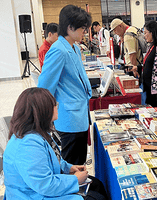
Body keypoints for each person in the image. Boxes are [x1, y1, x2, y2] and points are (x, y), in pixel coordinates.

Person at [3, 87, 107, 200]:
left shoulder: (38, 132)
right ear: (43, 110)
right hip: (33, 195)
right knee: (96, 197)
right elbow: (45, 185)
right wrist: (75, 180)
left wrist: (69, 168)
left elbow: (51, 159)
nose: (57, 107)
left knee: (96, 184)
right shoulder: (28, 145)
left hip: (43, 188)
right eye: (54, 105)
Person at [38, 5, 92, 165]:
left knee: (80, 160)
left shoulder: (74, 47)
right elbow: (44, 88)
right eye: (82, 28)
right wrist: (49, 117)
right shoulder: (58, 50)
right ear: (69, 27)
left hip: (79, 114)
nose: (85, 32)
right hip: (69, 118)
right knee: (72, 164)